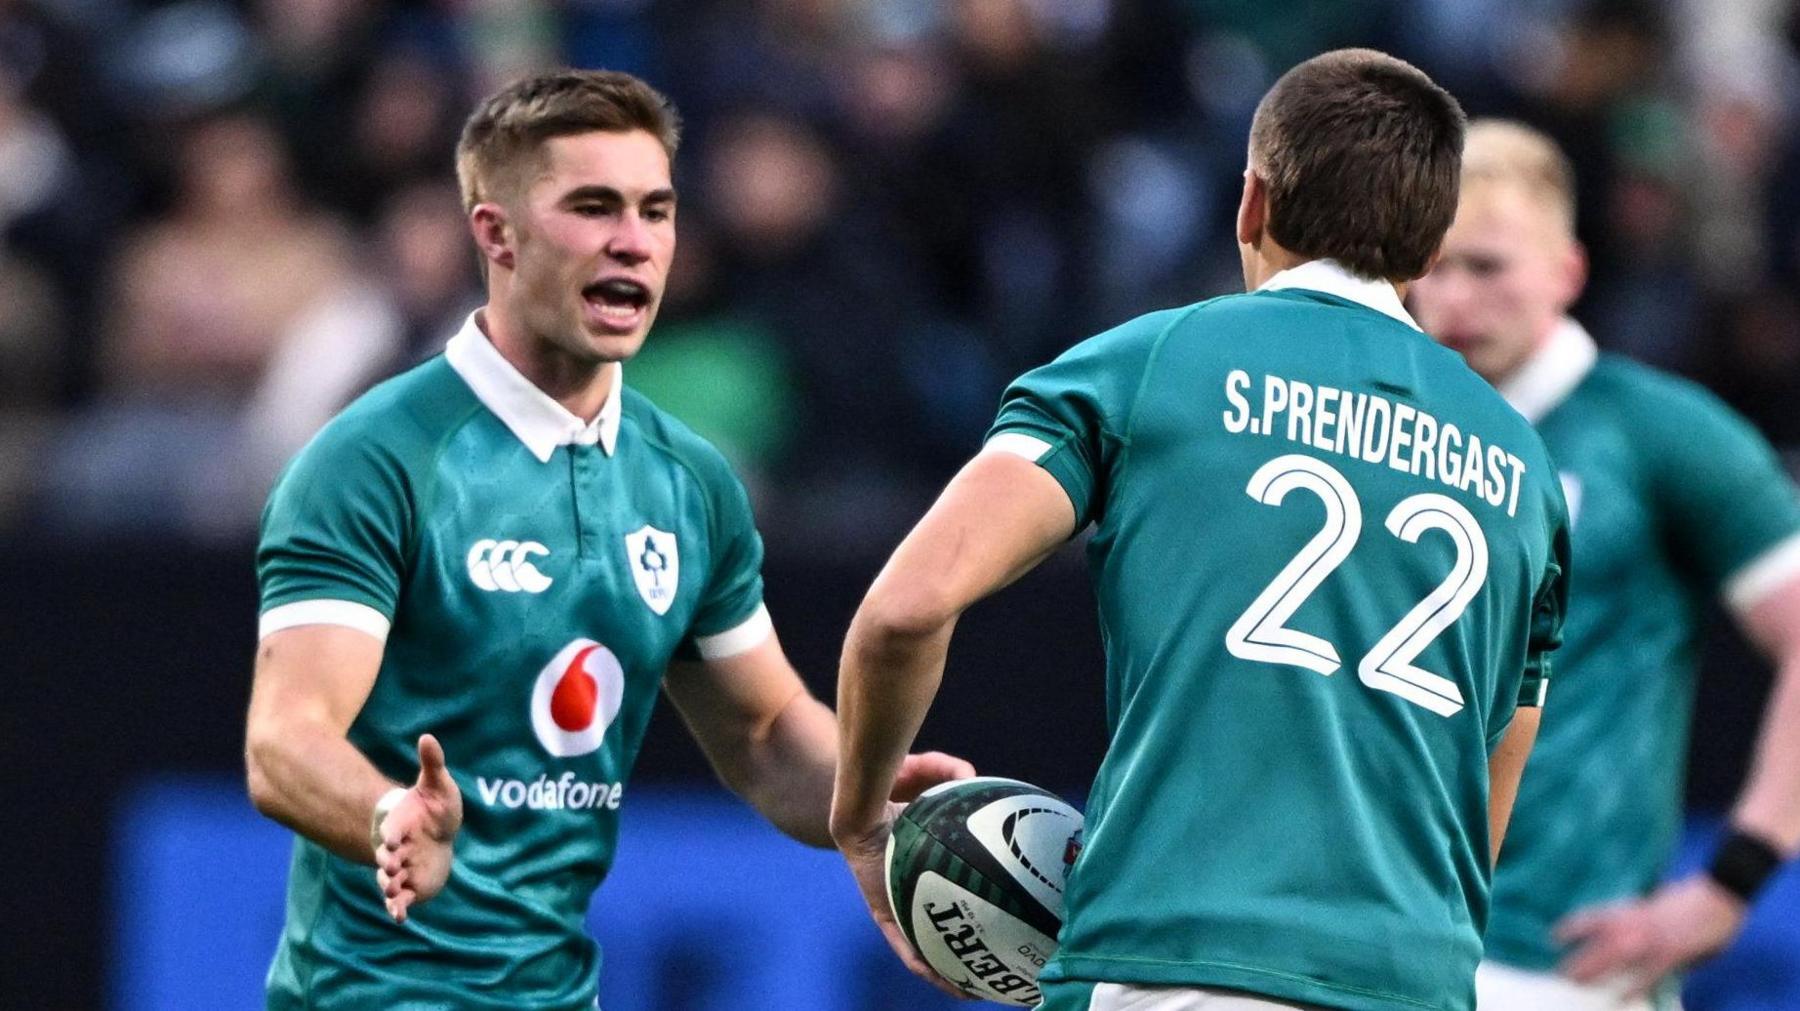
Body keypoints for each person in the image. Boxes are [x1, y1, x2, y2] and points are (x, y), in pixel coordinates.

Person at [832, 49, 1570, 1011]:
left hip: (1171, 960)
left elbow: (906, 609)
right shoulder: (1524, 469)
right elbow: (1488, 785)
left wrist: (858, 819)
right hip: (1413, 978)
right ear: (1430, 253)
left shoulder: (1148, 364)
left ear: (1251, 202)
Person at [242, 69, 970, 1010]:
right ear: (496, 234)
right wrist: (388, 812)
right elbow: (283, 740)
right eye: (593, 207)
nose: (634, 241)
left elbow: (760, 731)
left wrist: (878, 807)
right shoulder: (376, 460)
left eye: (656, 210)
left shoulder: (690, 480)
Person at [1409, 119, 1800, 1011]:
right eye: (1432, 264)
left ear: (1567, 271)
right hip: (1371, 943)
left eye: (1488, 265)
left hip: (1559, 965)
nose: (1456, 297)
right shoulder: (1382, 434)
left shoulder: (1657, 432)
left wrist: (1730, 882)